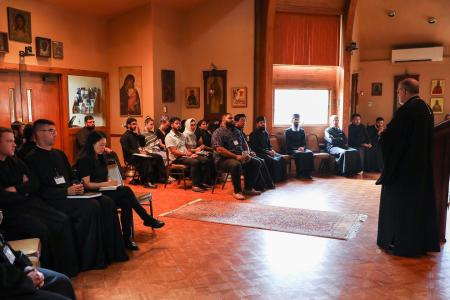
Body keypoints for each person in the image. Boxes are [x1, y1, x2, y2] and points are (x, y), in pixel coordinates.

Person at [25, 119, 128, 271]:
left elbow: (72, 174)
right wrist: (65, 191)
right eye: (50, 131)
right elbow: (37, 189)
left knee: (106, 203)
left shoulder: (59, 154)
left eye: (55, 130)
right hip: (52, 200)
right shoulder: (30, 159)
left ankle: (111, 253)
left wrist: (75, 184)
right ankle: (90, 260)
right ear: (38, 134)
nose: (55, 134)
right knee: (91, 207)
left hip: (71, 194)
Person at [0, 127, 79, 277]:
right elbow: (3, 197)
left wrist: (16, 188)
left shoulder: (14, 160)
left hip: (29, 203)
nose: (14, 144)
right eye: (9, 141)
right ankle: (47, 274)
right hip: (9, 211)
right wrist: (24, 189)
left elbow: (35, 183)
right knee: (42, 228)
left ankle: (67, 270)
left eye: (13, 140)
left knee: (62, 220)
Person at [376, 78, 440, 257]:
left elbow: (394, 140)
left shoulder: (407, 110)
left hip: (404, 171)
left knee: (401, 207)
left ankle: (400, 243)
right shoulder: (427, 108)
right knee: (417, 207)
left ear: (404, 91)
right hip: (421, 168)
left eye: (398, 91)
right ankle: (419, 243)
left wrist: (383, 136)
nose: (398, 94)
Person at [77, 131, 165, 251]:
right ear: (92, 144)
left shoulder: (101, 157)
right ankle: (146, 219)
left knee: (126, 202)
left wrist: (109, 181)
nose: (104, 148)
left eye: (104, 145)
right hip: (93, 193)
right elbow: (87, 184)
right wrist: (106, 183)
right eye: (101, 145)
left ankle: (126, 238)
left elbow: (102, 176)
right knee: (127, 190)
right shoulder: (84, 160)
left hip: (105, 189)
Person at [0, 233, 76, 300]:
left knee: (62, 282)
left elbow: (7, 250)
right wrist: (28, 280)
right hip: (8, 288)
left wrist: (26, 267)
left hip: (14, 273)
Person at [212, 113, 263, 200]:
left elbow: (244, 144)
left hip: (239, 156)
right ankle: (237, 191)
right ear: (223, 121)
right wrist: (235, 156)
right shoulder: (218, 132)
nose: (232, 120)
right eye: (230, 118)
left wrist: (247, 154)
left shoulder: (237, 131)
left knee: (256, 162)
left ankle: (248, 188)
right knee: (235, 165)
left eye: (232, 118)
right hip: (223, 160)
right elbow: (219, 149)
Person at [165, 117, 212, 192]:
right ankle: (195, 185)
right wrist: (188, 155)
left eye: (179, 123)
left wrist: (192, 154)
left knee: (205, 160)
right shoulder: (169, 136)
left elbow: (187, 147)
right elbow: (174, 152)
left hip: (185, 155)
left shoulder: (181, 135)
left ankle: (202, 182)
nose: (178, 125)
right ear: (171, 125)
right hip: (176, 158)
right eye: (176, 123)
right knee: (195, 162)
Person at [120, 117, 165, 188]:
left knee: (157, 157)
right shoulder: (124, 136)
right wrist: (139, 152)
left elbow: (143, 144)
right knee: (146, 160)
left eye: (136, 124)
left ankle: (160, 177)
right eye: (133, 124)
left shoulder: (135, 134)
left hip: (139, 154)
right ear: (128, 125)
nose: (135, 126)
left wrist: (139, 134)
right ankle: (146, 181)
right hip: (131, 157)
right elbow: (127, 149)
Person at [234, 114, 274, 190]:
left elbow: (247, 145)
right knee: (259, 161)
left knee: (261, 161)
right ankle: (259, 186)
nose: (244, 122)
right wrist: (247, 153)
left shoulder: (242, 132)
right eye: (242, 120)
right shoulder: (234, 132)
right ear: (236, 122)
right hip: (240, 156)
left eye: (245, 120)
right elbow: (237, 146)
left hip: (248, 154)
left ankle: (266, 184)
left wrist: (251, 151)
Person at [249, 116, 287, 182]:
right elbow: (255, 148)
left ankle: (281, 178)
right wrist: (268, 152)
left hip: (268, 152)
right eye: (261, 123)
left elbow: (269, 145)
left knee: (281, 159)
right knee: (272, 161)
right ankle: (273, 179)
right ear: (257, 124)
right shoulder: (253, 134)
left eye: (264, 122)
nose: (263, 124)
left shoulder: (265, 133)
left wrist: (271, 150)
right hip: (259, 154)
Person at [284, 114, 315, 179]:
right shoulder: (288, 131)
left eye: (297, 120)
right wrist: (297, 149)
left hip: (301, 149)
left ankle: (307, 173)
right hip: (291, 149)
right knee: (300, 154)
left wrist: (303, 147)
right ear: (292, 120)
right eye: (295, 119)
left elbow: (304, 142)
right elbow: (287, 144)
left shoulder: (302, 131)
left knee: (310, 153)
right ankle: (299, 174)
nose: (296, 121)